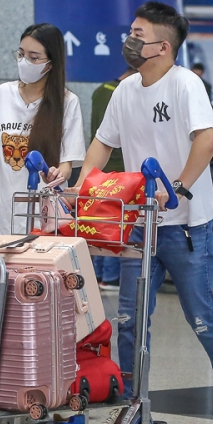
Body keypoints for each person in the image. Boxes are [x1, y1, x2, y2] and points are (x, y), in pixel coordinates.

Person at [76, 0, 213, 424]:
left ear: (162, 46)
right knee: (131, 319)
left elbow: (208, 138)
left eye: (138, 33)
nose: (130, 39)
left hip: (189, 225)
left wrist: (180, 186)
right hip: (142, 224)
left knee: (200, 315)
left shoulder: (184, 85)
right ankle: (133, 401)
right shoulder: (125, 91)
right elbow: (102, 143)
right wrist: (82, 189)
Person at [0, 23, 86, 235]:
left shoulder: (67, 102)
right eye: (21, 54)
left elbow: (67, 166)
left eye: (34, 57)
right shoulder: (3, 93)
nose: (24, 62)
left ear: (51, 63)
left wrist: (56, 174)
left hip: (44, 221)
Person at [89, 68, 137, 289]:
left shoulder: (100, 91)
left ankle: (97, 274)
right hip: (120, 166)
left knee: (97, 221)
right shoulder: (126, 93)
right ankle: (110, 277)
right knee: (115, 224)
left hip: (98, 166)